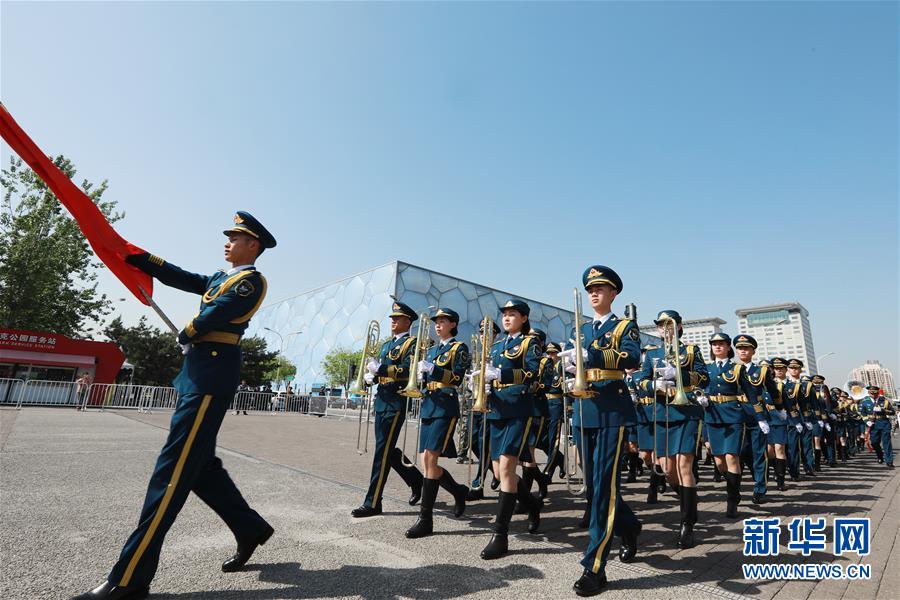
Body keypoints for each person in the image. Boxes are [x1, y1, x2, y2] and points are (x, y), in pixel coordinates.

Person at [73, 211, 277, 600]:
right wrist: (134, 256)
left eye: (235, 237)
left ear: (254, 245)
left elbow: (220, 312)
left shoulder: (252, 280)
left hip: (212, 376)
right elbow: (181, 277)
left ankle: (130, 578)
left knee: (171, 472)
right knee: (198, 467)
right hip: (197, 374)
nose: (227, 241)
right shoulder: (220, 277)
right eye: (228, 236)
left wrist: (189, 331)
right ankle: (249, 528)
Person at [559, 266, 642, 597]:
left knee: (604, 489)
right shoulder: (579, 328)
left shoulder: (624, 325)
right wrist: (567, 366)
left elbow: (632, 356)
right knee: (595, 487)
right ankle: (630, 526)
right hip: (583, 411)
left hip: (611, 411)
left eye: (601, 288)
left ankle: (594, 566)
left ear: (613, 293)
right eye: (590, 289)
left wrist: (591, 354)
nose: (594, 293)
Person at [634, 310, 707, 549]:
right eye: (661, 325)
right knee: (666, 468)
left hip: (685, 412)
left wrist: (679, 374)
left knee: (684, 465)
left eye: (669, 324)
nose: (664, 329)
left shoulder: (691, 351)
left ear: (678, 327)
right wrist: (653, 384)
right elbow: (641, 381)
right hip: (662, 413)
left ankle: (687, 523)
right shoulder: (652, 354)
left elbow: (704, 379)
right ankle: (689, 503)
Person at [479, 299, 542, 560]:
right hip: (497, 409)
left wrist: (501, 376)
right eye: (504, 314)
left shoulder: (530, 343)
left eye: (512, 314)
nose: (506, 318)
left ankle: (500, 534)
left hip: (518, 408)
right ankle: (532, 505)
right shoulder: (495, 346)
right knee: (498, 470)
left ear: (524, 318)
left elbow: (533, 373)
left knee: (506, 468)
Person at [351, 301, 425, 518]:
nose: (392, 321)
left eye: (397, 318)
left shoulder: (412, 343)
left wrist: (381, 368)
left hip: (396, 402)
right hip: (382, 401)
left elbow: (409, 370)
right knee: (388, 451)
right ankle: (417, 481)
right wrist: (370, 377)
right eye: (392, 318)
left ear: (408, 321)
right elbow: (380, 372)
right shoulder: (385, 345)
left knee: (382, 454)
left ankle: (373, 502)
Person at [405, 308, 471, 538]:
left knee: (431, 458)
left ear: (453, 324)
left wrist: (435, 370)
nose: (438, 325)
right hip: (429, 404)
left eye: (442, 321)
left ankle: (426, 519)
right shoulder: (432, 350)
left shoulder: (458, 348)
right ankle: (458, 491)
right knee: (425, 460)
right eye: (436, 322)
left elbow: (457, 377)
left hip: (445, 404)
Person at [702, 333, 760, 518]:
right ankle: (733, 487)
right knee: (719, 461)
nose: (717, 347)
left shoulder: (737, 368)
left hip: (733, 416)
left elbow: (751, 393)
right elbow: (698, 389)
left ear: (729, 347)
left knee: (731, 457)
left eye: (721, 344)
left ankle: (732, 498)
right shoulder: (705, 369)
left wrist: (761, 416)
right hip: (712, 417)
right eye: (714, 344)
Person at [734, 335, 778, 504]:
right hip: (737, 415)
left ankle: (760, 488)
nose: (742, 351)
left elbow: (773, 391)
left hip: (757, 414)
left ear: (753, 351)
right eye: (739, 348)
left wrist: (779, 409)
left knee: (759, 453)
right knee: (742, 453)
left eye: (746, 348)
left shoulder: (761, 371)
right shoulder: (732, 369)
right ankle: (755, 477)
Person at [860, 385, 895, 468]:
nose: (873, 395)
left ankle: (889, 461)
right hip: (873, 425)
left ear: (878, 393)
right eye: (871, 393)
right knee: (874, 442)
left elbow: (892, 411)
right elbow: (862, 413)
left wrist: (883, 410)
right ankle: (880, 455)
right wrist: (867, 421)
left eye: (875, 393)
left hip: (884, 423)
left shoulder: (884, 400)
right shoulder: (865, 402)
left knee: (887, 443)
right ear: (869, 393)